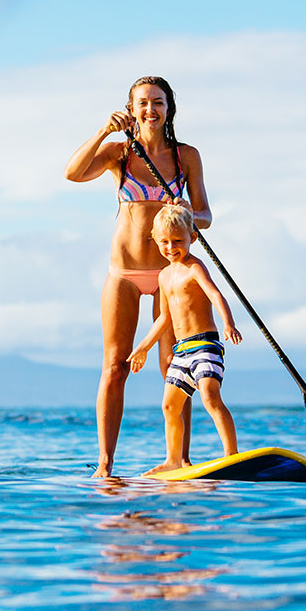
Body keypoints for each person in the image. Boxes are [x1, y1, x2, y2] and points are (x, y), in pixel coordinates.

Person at [64, 76, 212, 477]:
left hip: (172, 274)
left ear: (169, 109)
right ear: (132, 109)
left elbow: (206, 216)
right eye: (143, 103)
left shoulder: (187, 157)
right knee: (115, 365)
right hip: (125, 273)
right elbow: (73, 174)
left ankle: (179, 460)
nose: (151, 109)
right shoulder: (120, 152)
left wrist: (187, 213)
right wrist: (102, 131)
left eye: (158, 102)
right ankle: (105, 465)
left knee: (175, 367)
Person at [127, 203, 241, 474]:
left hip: (205, 344)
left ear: (193, 237)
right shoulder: (164, 275)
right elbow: (163, 319)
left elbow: (215, 294)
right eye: (164, 241)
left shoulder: (195, 268)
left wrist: (228, 323)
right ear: (155, 240)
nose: (170, 247)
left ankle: (232, 454)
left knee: (210, 396)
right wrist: (143, 347)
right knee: (169, 405)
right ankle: (173, 459)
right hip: (181, 351)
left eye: (178, 240)